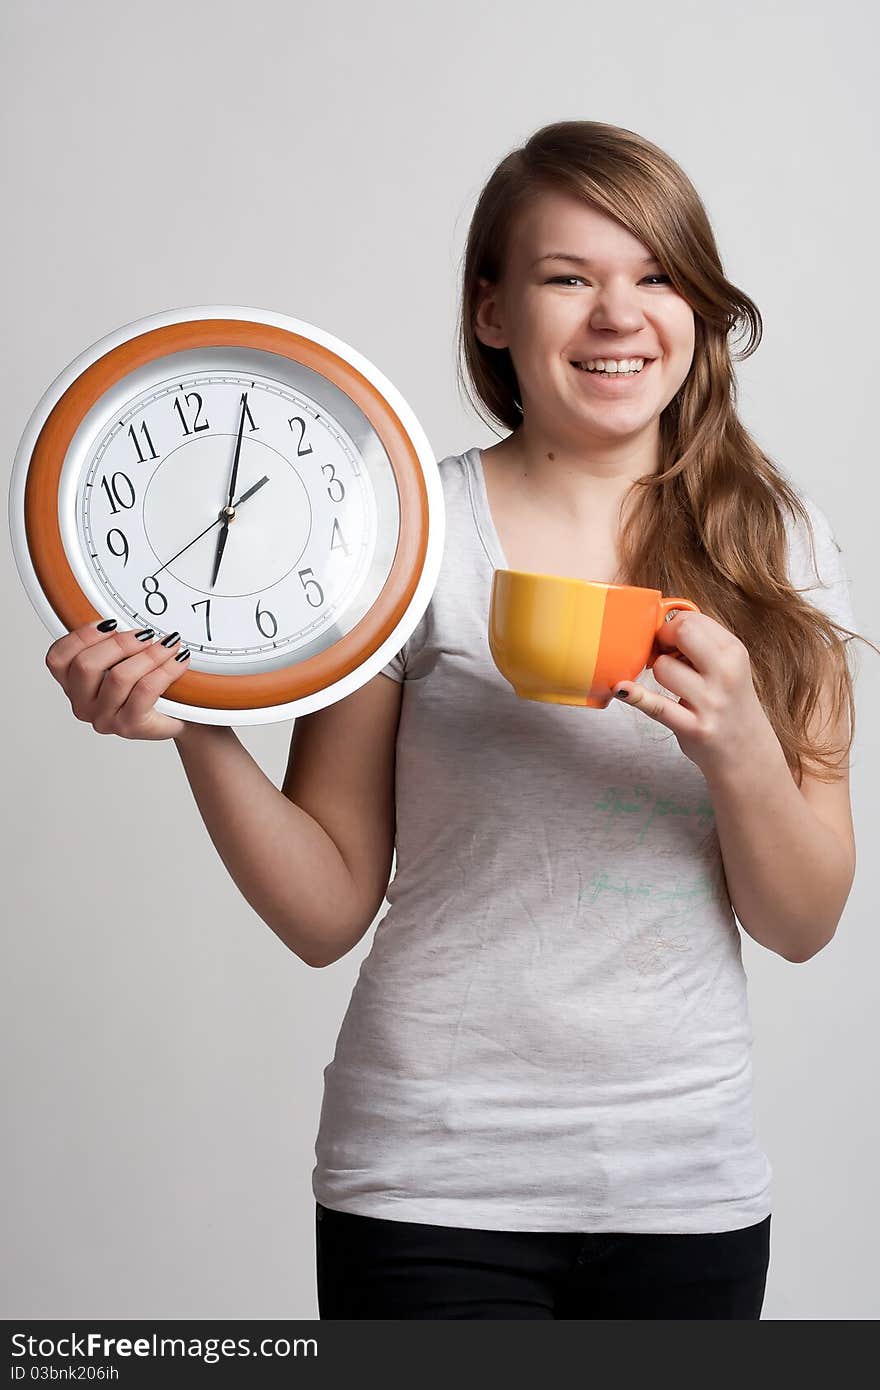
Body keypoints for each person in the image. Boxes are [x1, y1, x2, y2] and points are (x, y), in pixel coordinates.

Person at [45, 120, 872, 1321]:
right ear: (492, 312)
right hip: (428, 1179)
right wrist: (202, 721)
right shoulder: (401, 535)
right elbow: (327, 910)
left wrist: (738, 740)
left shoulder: (780, 550)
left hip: (683, 1189)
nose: (616, 314)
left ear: (695, 307)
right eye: (566, 277)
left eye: (654, 276)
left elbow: (801, 922)